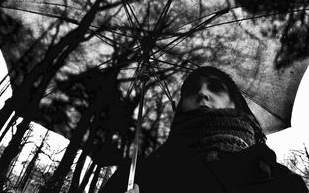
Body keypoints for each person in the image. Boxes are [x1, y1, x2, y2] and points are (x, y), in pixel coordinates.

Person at [99, 66, 308, 193]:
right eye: (191, 90)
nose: (202, 93)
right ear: (181, 106)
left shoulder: (278, 178)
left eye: (215, 88)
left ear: (236, 103)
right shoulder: (140, 173)